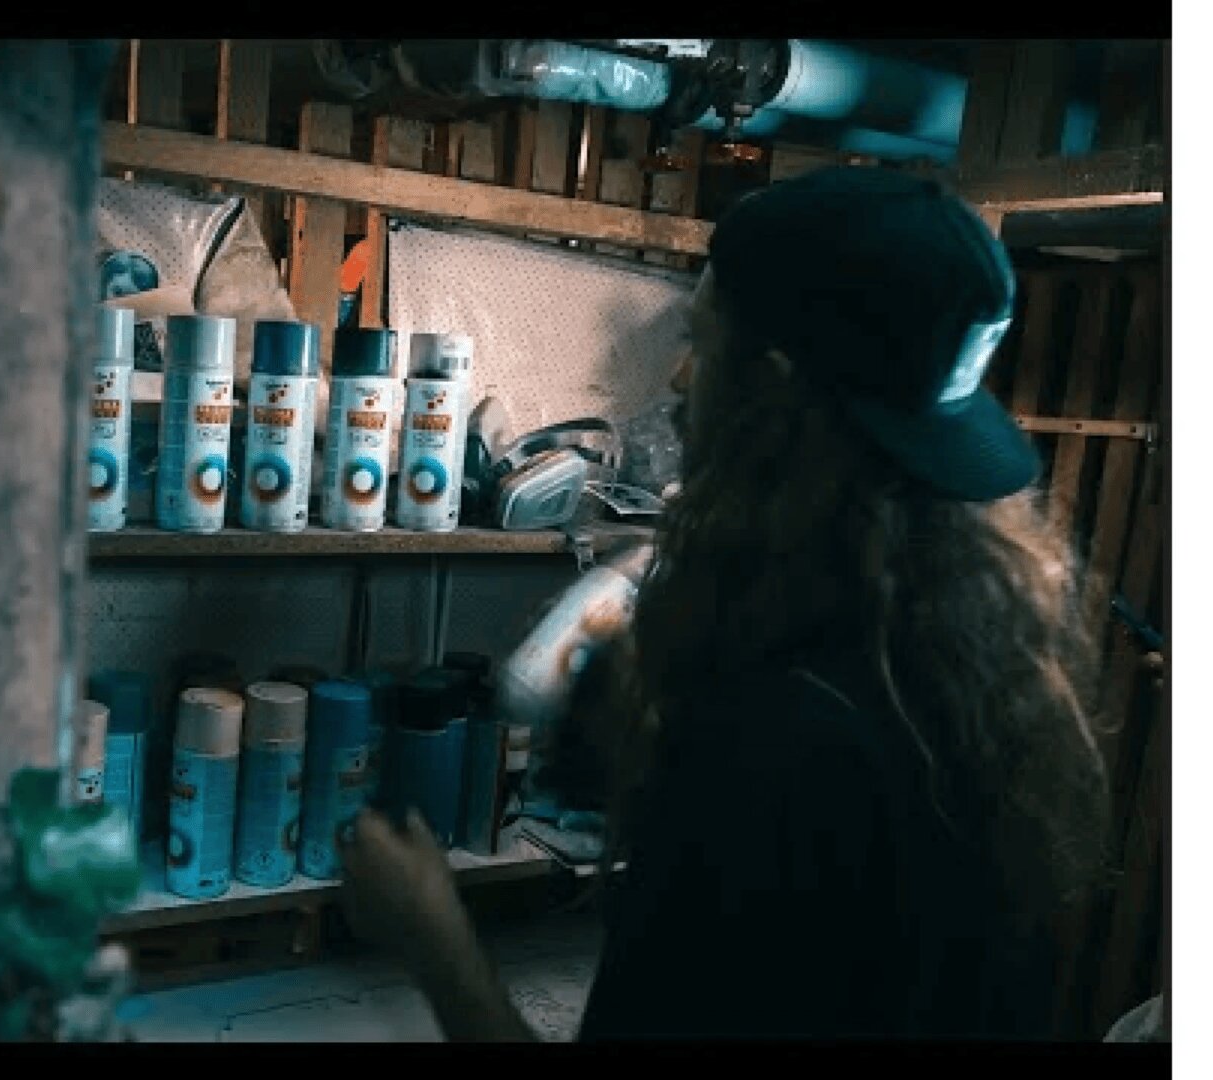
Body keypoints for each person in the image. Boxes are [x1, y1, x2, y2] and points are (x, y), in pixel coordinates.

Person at [336, 166, 1113, 1041]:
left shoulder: (771, 749)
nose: (676, 378)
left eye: (701, 342)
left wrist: (432, 936)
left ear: (772, 395)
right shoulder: (973, 688)